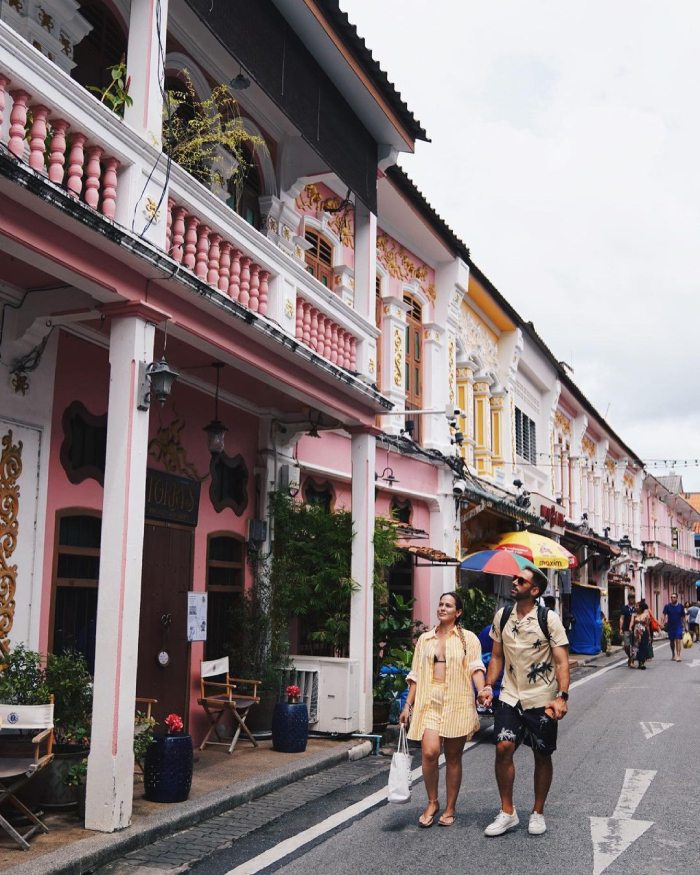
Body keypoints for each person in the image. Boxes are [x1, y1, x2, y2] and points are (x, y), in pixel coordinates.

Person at [477, 567, 569, 837]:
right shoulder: (502, 616)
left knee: (542, 753)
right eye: (514, 578)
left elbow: (562, 662)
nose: (514, 582)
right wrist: (486, 686)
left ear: (535, 590)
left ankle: (538, 812)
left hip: (543, 697)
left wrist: (562, 697)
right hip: (509, 695)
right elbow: (496, 657)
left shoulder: (549, 619)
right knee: (503, 747)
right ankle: (508, 812)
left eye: (521, 580)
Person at [400, 592, 486, 828]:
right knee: (429, 753)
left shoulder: (468, 640)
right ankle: (432, 802)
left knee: (453, 757)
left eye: (448, 605)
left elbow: (476, 668)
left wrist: (482, 690)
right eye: (440, 604)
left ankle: (450, 807)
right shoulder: (425, 639)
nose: (442, 608)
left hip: (457, 701)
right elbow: (415, 675)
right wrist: (408, 705)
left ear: (458, 612)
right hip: (430, 701)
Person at [662, 593, 686, 661]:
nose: (673, 598)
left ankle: (678, 655)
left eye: (674, 597)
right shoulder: (667, 606)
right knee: (672, 641)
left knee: (678, 640)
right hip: (670, 626)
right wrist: (662, 623)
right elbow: (664, 615)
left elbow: (683, 617)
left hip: (678, 626)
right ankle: (673, 653)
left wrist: (685, 626)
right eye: (672, 597)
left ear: (677, 598)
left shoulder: (680, 606)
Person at [630, 600, 651, 669]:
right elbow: (632, 622)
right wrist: (630, 627)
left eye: (637, 606)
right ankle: (632, 661)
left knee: (643, 647)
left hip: (643, 633)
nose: (635, 607)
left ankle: (641, 663)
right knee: (635, 647)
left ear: (641, 607)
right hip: (636, 633)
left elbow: (647, 626)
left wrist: (649, 635)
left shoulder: (646, 615)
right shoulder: (634, 614)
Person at [619, 592, 637, 659]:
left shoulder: (636, 608)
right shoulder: (624, 608)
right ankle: (629, 656)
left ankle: (632, 659)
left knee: (634, 645)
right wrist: (620, 628)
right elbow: (621, 618)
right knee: (626, 646)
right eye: (630, 598)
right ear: (628, 599)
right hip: (626, 629)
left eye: (633, 598)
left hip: (635, 629)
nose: (632, 599)